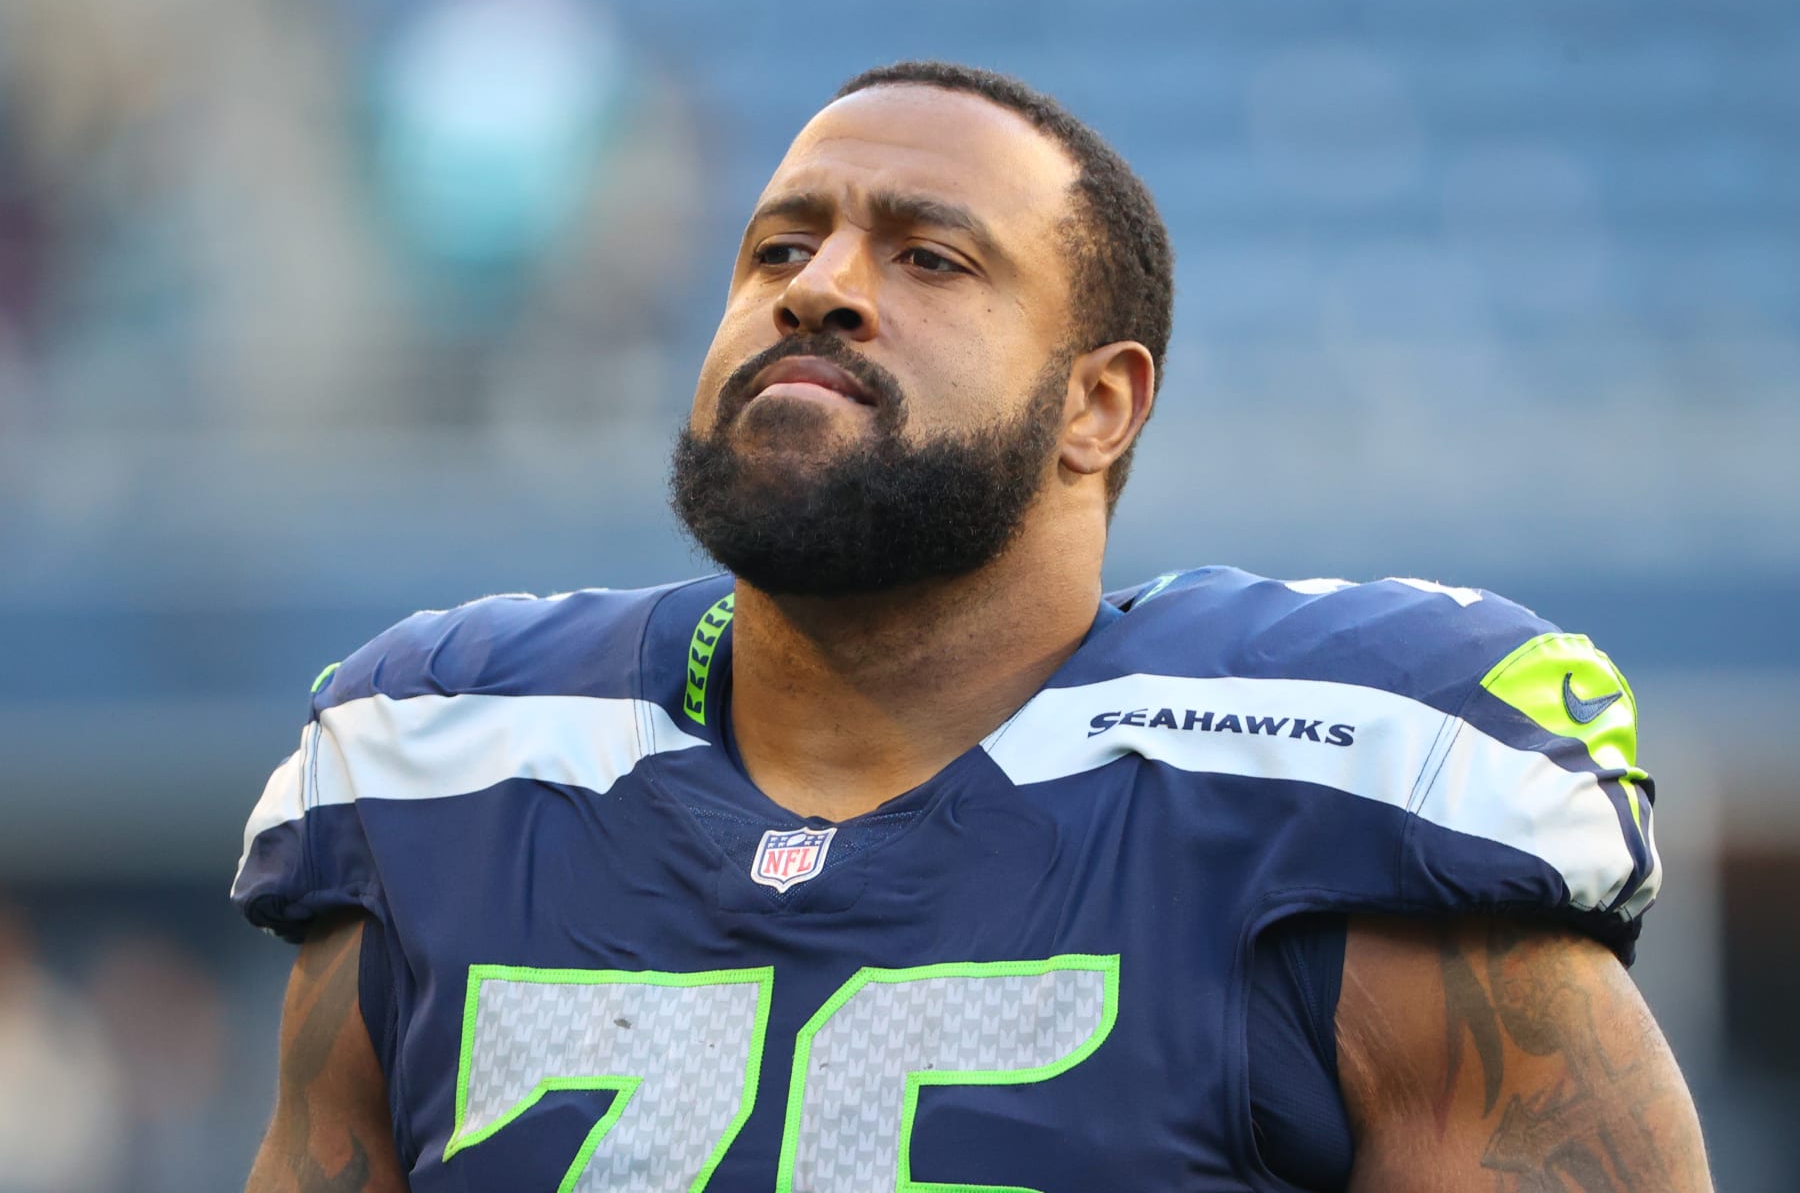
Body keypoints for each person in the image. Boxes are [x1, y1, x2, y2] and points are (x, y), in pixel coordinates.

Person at [234, 61, 1712, 1192]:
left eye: (928, 258)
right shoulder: (449, 769)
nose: (819, 290)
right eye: (776, 250)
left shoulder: (1330, 796)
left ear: (1099, 403)